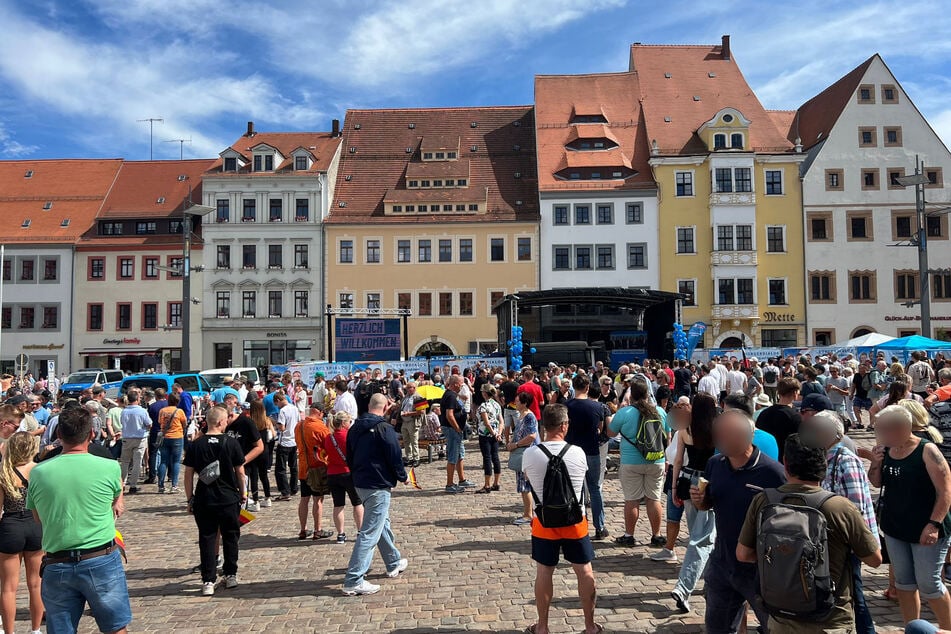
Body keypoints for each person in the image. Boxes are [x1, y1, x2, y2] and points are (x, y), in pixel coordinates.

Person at [736, 433, 882, 633]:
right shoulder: (839, 507)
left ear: (785, 464)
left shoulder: (764, 501)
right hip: (829, 619)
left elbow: (743, 554)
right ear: (824, 465)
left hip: (780, 617)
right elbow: (874, 559)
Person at [27, 406, 131, 633]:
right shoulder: (110, 467)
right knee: (115, 628)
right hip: (100, 556)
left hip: (57, 560)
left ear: (59, 436)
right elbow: (115, 502)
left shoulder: (39, 472)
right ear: (92, 434)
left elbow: (37, 517)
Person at [690, 408, 786, 633]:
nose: (722, 440)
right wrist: (701, 501)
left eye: (729, 434)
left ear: (748, 436)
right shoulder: (715, 464)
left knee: (775, 627)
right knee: (718, 627)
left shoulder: (773, 473)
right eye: (720, 435)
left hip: (759, 569)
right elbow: (709, 504)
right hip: (722, 563)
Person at [869, 404, 951, 628]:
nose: (880, 435)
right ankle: (911, 628)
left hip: (926, 525)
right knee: (904, 584)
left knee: (929, 584)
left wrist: (934, 524)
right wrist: (875, 463)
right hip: (896, 526)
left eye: (884, 430)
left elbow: (945, 491)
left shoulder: (927, 450)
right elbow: (876, 482)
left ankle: (946, 628)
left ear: (902, 428)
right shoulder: (886, 450)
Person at [521, 404, 600, 634]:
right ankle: (590, 625)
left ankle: (543, 626)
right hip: (575, 521)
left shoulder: (530, 454)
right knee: (585, 571)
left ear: (544, 425)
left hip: (544, 522)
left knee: (544, 572)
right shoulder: (577, 453)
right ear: (565, 425)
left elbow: (527, 478)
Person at [800, 410, 880, 633]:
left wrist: (851, 544)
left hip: (848, 544)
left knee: (854, 593)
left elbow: (856, 509)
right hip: (830, 544)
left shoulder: (845, 460)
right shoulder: (823, 457)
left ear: (829, 434)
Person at [341, 394, 409, 596]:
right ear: (386, 406)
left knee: (381, 523)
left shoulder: (354, 427)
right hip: (377, 483)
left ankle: (393, 561)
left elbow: (349, 454)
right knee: (370, 531)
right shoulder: (384, 428)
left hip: (361, 482)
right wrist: (402, 476)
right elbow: (394, 454)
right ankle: (354, 579)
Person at [183, 406, 247, 596]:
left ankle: (208, 580)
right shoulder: (231, 443)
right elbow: (240, 472)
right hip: (228, 498)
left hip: (204, 499)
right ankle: (230, 574)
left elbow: (188, 474)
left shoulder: (196, 444)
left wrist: (189, 498)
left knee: (207, 538)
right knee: (230, 537)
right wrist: (243, 493)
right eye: (226, 419)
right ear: (220, 422)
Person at [668, 394, 718, 612]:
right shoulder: (715, 430)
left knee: (697, 536)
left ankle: (708, 581)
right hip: (707, 482)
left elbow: (678, 460)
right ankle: (686, 586)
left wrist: (672, 488)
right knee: (702, 538)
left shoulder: (685, 429)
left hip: (687, 480)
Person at [607, 380, 669, 547]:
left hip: (631, 461)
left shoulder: (625, 413)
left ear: (632, 395)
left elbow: (611, 433)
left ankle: (629, 535)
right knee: (654, 499)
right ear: (648, 393)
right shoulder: (660, 412)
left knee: (632, 500)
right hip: (657, 459)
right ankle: (657, 535)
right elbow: (667, 438)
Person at [0, 432, 44, 634]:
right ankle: (36, 629)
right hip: (34, 524)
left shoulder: (4, 473)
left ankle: (9, 632)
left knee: (8, 587)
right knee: (36, 584)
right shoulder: (39, 471)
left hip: (11, 526)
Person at [565, 374, 612, 540]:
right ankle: (600, 526)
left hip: (571, 451)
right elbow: (602, 428)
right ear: (587, 388)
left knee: (573, 489)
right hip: (591, 450)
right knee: (595, 488)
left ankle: (576, 525)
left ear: (573, 386)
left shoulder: (566, 406)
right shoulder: (598, 407)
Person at [324, 412, 364, 545]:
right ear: (343, 423)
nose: (350, 424)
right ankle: (360, 531)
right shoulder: (348, 436)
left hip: (333, 474)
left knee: (338, 504)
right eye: (348, 421)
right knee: (357, 503)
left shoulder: (329, 438)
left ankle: (340, 534)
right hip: (348, 472)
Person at [295, 405, 333, 540]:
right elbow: (329, 445)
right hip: (317, 467)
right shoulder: (320, 427)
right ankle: (318, 530)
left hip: (303, 467)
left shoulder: (298, 426)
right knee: (318, 499)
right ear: (320, 413)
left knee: (304, 499)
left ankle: (303, 530)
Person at [508, 392, 541, 525]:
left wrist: (516, 444)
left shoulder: (529, 416)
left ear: (524, 403)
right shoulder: (521, 415)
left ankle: (528, 514)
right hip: (522, 452)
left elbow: (532, 436)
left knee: (525, 485)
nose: (515, 403)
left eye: (517, 401)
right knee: (523, 484)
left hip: (527, 453)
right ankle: (528, 512)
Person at [440, 374, 474, 493]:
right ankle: (449, 484)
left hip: (454, 429)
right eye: (461, 384)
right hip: (452, 429)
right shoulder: (450, 396)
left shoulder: (452, 395)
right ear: (455, 384)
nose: (462, 386)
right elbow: (449, 415)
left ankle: (462, 479)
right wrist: (457, 428)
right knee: (453, 456)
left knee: (460, 454)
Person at [755, 377, 801, 462]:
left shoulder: (764, 413)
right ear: (795, 393)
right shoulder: (795, 417)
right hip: (786, 463)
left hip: (764, 459)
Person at [118, 388, 151, 494]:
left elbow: (122, 423)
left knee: (125, 462)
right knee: (137, 462)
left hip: (127, 438)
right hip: (139, 438)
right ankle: (133, 485)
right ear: (137, 399)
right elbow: (149, 423)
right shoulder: (142, 411)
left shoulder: (124, 411)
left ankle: (122, 483)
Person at [156, 392, 188, 494]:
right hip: (177, 437)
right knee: (176, 461)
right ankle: (174, 485)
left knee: (163, 461)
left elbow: (159, 422)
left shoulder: (162, 411)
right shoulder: (179, 411)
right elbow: (185, 423)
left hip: (165, 437)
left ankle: (161, 485)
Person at [475, 383, 503, 494]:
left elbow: (486, 423)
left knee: (487, 458)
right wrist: (498, 434)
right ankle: (496, 483)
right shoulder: (497, 405)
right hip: (496, 434)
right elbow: (501, 421)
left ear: (485, 393)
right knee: (495, 457)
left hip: (485, 435)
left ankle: (487, 484)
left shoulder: (483, 406)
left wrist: (492, 433)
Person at [248, 400, 274, 508]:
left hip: (253, 450)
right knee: (264, 476)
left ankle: (256, 500)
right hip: (265, 451)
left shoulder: (250, 421)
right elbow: (273, 434)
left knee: (254, 476)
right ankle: (267, 497)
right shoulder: (267, 421)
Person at [274, 393, 300, 501]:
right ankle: (294, 488)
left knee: (280, 469)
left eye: (276, 403)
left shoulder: (283, 411)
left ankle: (285, 492)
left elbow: (282, 427)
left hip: (284, 442)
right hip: (294, 441)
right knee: (293, 467)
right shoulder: (295, 408)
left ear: (278, 400)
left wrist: (275, 423)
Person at [399, 381, 425, 468]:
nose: (407, 389)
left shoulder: (419, 397)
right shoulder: (406, 397)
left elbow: (421, 412)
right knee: (406, 441)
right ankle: (408, 457)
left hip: (413, 421)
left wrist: (408, 414)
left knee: (414, 441)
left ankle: (416, 458)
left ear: (414, 388)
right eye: (407, 388)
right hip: (404, 421)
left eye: (409, 387)